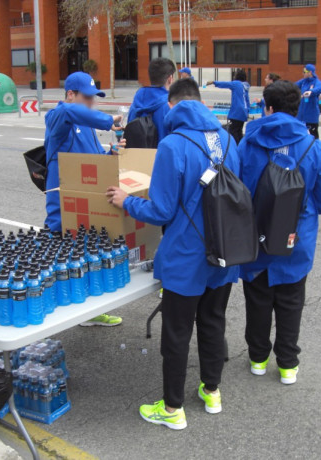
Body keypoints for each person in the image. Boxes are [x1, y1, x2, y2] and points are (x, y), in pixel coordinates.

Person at [106, 79, 240, 430]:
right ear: (201, 102)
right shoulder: (228, 140)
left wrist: (126, 201)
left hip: (186, 256)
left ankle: (172, 409)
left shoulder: (173, 144)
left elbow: (162, 211)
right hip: (225, 250)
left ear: (173, 106)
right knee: (213, 322)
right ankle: (212, 391)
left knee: (177, 332)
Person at [238, 80, 321, 386]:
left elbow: (238, 190)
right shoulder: (312, 145)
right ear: (297, 109)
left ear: (267, 107)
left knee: (258, 300)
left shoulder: (249, 142)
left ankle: (257, 358)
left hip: (257, 238)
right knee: (291, 302)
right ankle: (288, 365)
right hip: (297, 238)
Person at [44, 71, 125, 327]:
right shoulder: (58, 117)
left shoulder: (86, 123)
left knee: (87, 265)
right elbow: (68, 112)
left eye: (95, 99)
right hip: (64, 212)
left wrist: (110, 152)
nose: (92, 103)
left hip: (86, 210)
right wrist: (106, 119)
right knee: (64, 268)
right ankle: (47, 316)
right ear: (70, 95)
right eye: (87, 98)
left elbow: (89, 158)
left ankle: (89, 313)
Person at [128, 57, 176, 143]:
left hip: (136, 154)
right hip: (160, 154)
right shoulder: (170, 105)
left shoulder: (135, 104)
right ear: (170, 78)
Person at [207, 70, 250, 144]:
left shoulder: (236, 84)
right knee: (239, 130)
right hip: (244, 112)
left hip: (237, 112)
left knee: (233, 131)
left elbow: (225, 84)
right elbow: (247, 100)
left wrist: (214, 82)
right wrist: (247, 110)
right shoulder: (245, 86)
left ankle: (235, 147)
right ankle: (240, 146)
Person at [296, 64, 321, 139]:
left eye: (304, 72)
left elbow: (318, 89)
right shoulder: (303, 82)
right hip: (301, 114)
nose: (303, 73)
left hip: (311, 114)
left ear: (310, 72)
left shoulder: (317, 82)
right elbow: (293, 86)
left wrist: (311, 91)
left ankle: (315, 149)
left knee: (312, 135)